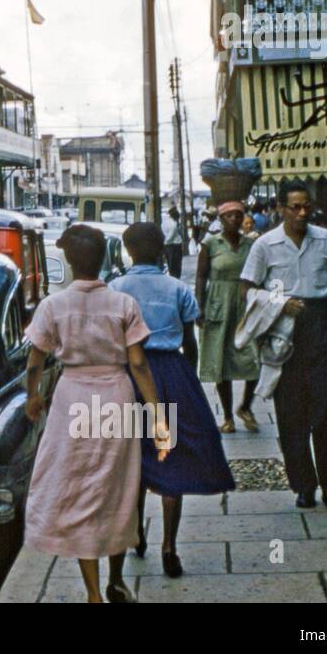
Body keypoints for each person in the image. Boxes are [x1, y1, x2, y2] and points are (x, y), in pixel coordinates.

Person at [21, 224, 167, 603]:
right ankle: (115, 580)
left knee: (81, 489)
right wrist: (156, 412)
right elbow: (138, 364)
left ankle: (91, 592)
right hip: (116, 398)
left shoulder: (53, 306)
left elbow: (35, 362)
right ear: (104, 260)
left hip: (73, 400)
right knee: (116, 488)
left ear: (69, 262)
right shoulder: (122, 305)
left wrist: (32, 397)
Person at [112, 223, 235, 577]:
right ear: (162, 249)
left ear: (129, 250)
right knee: (172, 456)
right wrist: (189, 377)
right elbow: (190, 340)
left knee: (133, 455)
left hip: (130, 374)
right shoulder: (177, 288)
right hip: (172, 371)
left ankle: (136, 533)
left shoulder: (117, 288)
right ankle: (169, 545)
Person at [240, 180, 327, 509]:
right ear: (281, 208)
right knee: (292, 412)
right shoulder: (265, 245)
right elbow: (248, 290)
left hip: (321, 326)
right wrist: (280, 302)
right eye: (294, 206)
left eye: (306, 206)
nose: (301, 212)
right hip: (284, 333)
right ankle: (303, 485)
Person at [197, 201, 261, 433]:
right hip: (218, 304)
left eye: (238, 216)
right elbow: (201, 277)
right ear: (221, 220)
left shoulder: (251, 245)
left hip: (245, 306)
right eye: (229, 216)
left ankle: (245, 406)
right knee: (221, 360)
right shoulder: (211, 244)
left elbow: (260, 273)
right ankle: (227, 416)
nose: (234, 220)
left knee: (254, 357)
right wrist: (200, 307)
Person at [161, 206, 185, 278]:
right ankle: (176, 279)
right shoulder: (174, 224)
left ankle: (172, 277)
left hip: (168, 247)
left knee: (170, 264)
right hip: (175, 246)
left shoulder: (164, 222)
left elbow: (165, 234)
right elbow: (170, 237)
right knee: (176, 266)